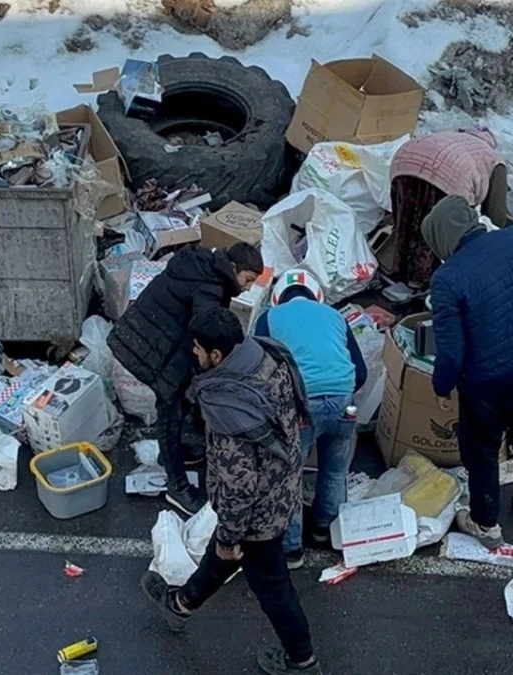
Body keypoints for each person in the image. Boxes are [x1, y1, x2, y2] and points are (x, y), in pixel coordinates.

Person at [141, 307, 322, 675]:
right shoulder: (269, 356)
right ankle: (180, 605)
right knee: (221, 557)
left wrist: (230, 534)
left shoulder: (227, 406)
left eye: (197, 348)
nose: (193, 353)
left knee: (272, 590)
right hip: (283, 485)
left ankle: (302, 660)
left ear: (216, 355)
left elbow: (239, 485)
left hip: (258, 514)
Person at [424, 195, 513, 550]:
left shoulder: (447, 279)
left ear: (442, 238)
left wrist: (442, 387)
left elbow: (452, 351)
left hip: (488, 381)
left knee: (482, 450)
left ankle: (486, 523)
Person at [109, 243, 263, 515]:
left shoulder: (202, 262)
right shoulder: (210, 289)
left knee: (180, 404)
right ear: (234, 269)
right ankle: (177, 487)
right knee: (170, 412)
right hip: (158, 350)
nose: (248, 288)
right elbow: (208, 332)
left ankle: (178, 451)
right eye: (248, 280)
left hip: (147, 334)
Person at [253, 268, 367, 569]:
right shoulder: (334, 316)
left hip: (302, 406)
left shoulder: (269, 319)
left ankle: (292, 550)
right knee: (335, 470)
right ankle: (322, 529)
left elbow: (259, 371)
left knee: (289, 474)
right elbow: (362, 372)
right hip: (344, 403)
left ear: (277, 297)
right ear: (316, 293)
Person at [389, 129, 507, 287]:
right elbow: (495, 215)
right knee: (436, 233)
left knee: (405, 222)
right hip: (453, 174)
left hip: (404, 159)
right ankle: (421, 281)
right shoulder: (494, 159)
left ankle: (398, 269)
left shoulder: (454, 136)